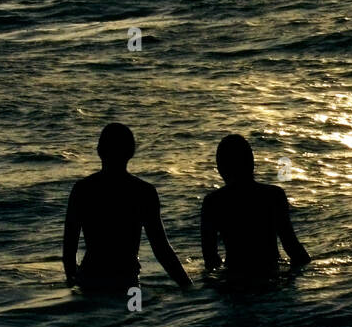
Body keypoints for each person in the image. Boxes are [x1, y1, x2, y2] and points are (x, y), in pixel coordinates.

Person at [62, 123, 192, 291]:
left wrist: (73, 284)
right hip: (128, 281)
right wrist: (187, 286)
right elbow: (161, 249)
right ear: (131, 152)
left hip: (90, 281)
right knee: (135, 314)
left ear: (99, 150)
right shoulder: (143, 192)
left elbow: (69, 248)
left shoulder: (83, 189)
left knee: (91, 316)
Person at [201, 134, 310, 278]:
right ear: (251, 163)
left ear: (220, 168)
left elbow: (210, 260)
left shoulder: (213, 202)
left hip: (233, 281)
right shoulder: (274, 196)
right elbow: (293, 249)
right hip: (271, 277)